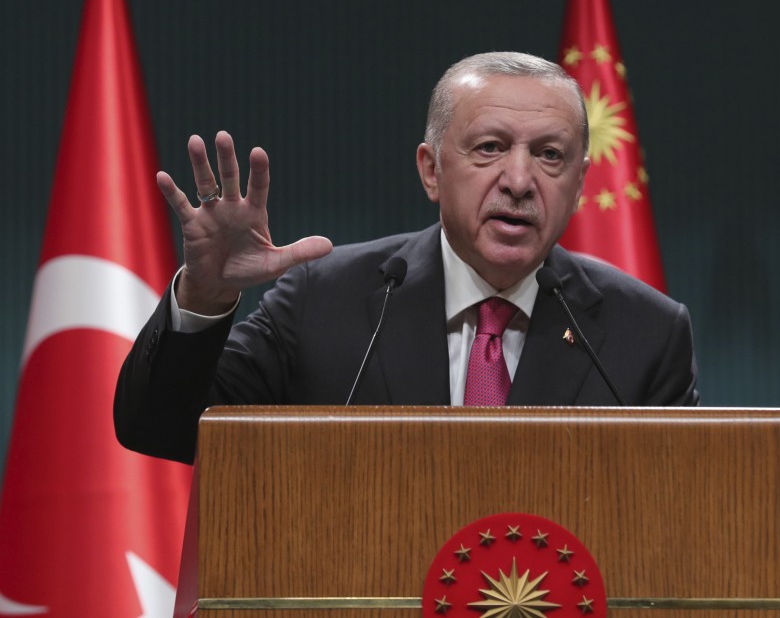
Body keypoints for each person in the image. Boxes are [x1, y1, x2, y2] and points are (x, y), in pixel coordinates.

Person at [114, 51, 698, 465]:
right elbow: (161, 429)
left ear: (579, 184)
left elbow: (681, 518)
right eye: (490, 147)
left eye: (549, 155)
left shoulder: (644, 333)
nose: (519, 181)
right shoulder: (325, 302)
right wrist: (205, 296)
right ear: (431, 170)